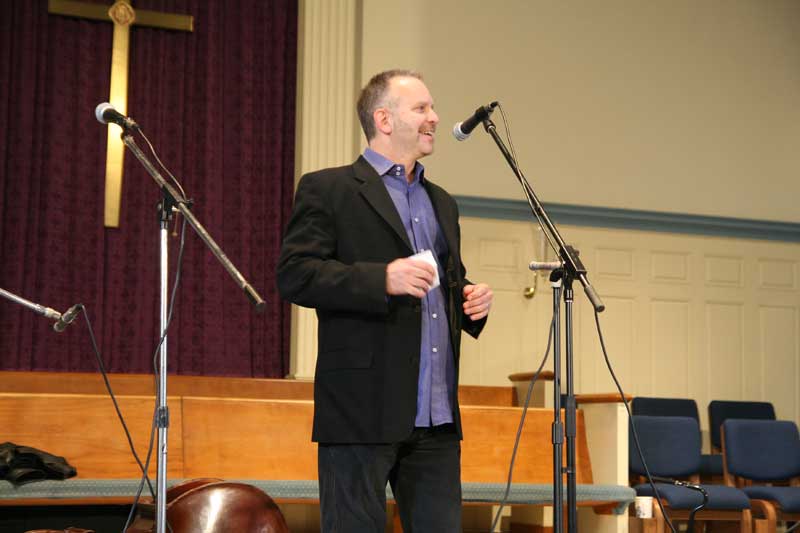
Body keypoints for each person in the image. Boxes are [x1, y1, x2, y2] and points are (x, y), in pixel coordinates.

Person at [277, 69, 493, 533]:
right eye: (421, 109)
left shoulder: (443, 202)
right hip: (361, 412)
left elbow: (443, 284)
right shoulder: (329, 189)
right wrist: (382, 279)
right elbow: (296, 276)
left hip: (435, 419)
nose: (435, 118)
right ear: (384, 119)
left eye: (432, 108)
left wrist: (470, 300)